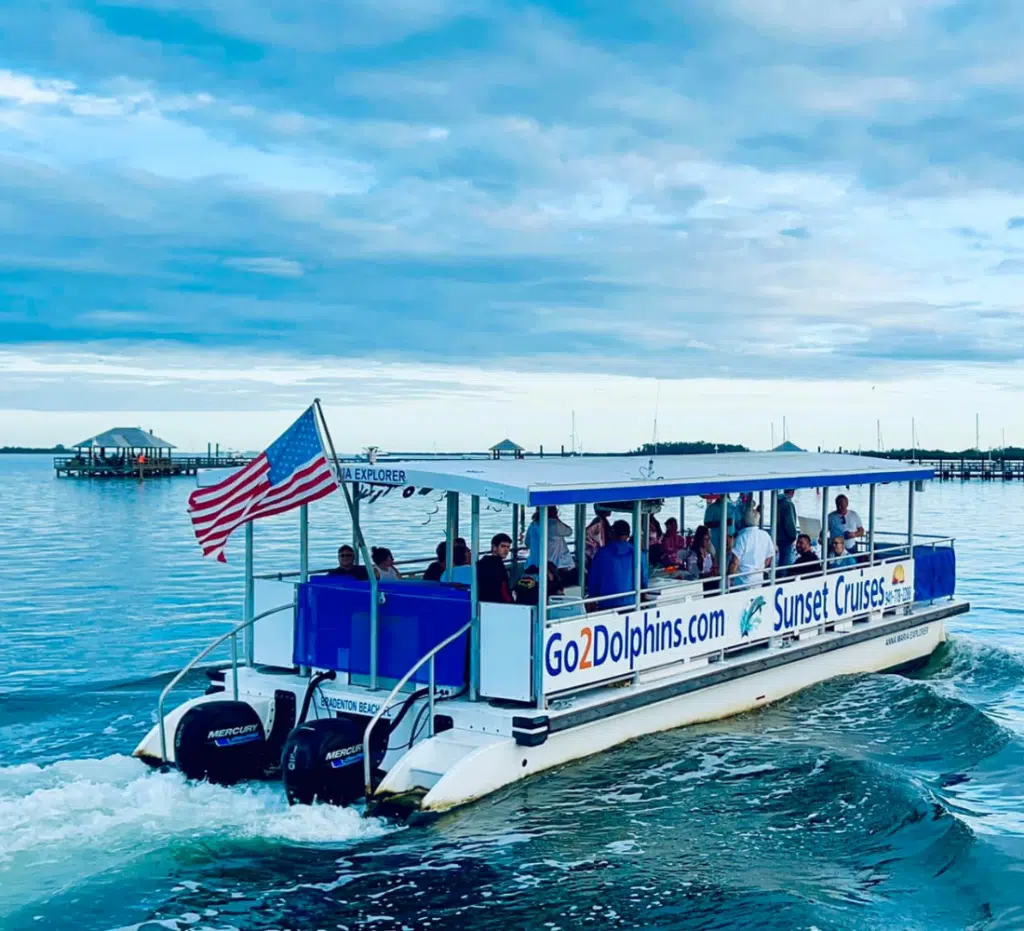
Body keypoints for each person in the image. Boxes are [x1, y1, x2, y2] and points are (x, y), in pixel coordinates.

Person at [587, 519, 649, 610]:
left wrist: (592, 597)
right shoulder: (638, 553)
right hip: (631, 603)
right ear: (628, 535)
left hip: (606, 603)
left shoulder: (601, 554)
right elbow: (644, 579)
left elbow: (594, 580)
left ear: (612, 533)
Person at [525, 507, 575, 583]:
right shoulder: (555, 524)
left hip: (533, 564)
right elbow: (569, 531)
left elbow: (527, 543)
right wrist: (558, 520)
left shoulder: (533, 525)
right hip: (553, 566)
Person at [729, 508, 775, 589]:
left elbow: (734, 562)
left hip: (742, 580)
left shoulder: (742, 537)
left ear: (744, 521)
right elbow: (769, 558)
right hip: (759, 578)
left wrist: (729, 578)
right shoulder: (765, 535)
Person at [477, 533, 513, 603]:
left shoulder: (483, 562)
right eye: (503, 546)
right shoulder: (498, 564)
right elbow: (503, 588)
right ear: (494, 547)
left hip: (483, 600)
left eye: (508, 547)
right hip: (498, 602)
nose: (506, 550)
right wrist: (512, 602)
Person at [776, 489, 798, 567]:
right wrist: (793, 536)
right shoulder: (788, 504)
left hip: (777, 536)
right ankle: (784, 578)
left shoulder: (776, 501)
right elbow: (789, 522)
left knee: (780, 559)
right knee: (786, 561)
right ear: (792, 492)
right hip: (786, 538)